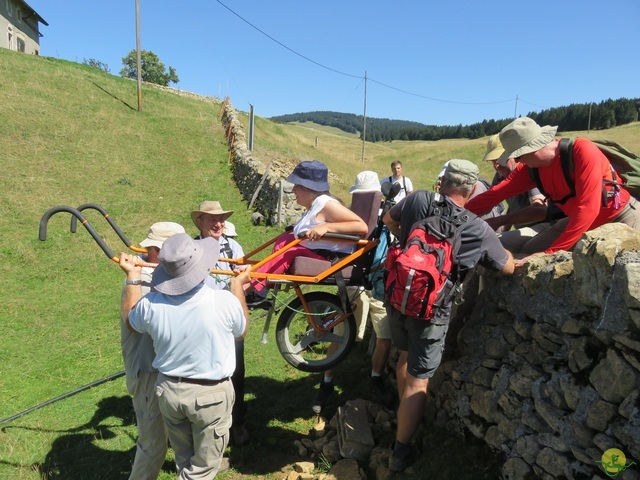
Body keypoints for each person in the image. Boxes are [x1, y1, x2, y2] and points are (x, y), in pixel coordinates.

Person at [383, 159, 515, 473]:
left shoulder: (417, 199)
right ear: (470, 190)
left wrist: (406, 242)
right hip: (432, 312)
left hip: (399, 296)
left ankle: (403, 413)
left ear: (443, 181)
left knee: (404, 354)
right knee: (419, 383)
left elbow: (389, 219)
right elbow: (506, 267)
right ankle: (401, 451)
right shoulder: (477, 228)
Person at [120, 233, 250, 479]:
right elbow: (241, 331)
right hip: (210, 395)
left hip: (169, 392)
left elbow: (131, 322)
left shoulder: (151, 304)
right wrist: (238, 288)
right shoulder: (223, 301)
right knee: (202, 471)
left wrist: (132, 277)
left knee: (185, 460)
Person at [465, 117, 640, 264]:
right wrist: (455, 216)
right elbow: (494, 195)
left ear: (532, 148)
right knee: (528, 250)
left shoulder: (582, 151)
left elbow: (588, 208)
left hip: (620, 217)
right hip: (578, 221)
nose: (519, 161)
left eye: (518, 156)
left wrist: (549, 254)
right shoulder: (532, 168)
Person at [311, 171, 395, 414]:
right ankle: (326, 382)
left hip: (379, 281)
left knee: (385, 336)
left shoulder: (389, 216)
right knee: (342, 334)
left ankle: (375, 378)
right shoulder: (351, 217)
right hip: (355, 280)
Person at [245, 160, 368, 302]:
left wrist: (326, 228)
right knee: (285, 241)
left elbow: (361, 226)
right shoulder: (316, 204)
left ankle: (249, 288)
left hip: (334, 257)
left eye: (297, 185)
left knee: (289, 251)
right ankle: (261, 287)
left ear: (308, 187)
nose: (293, 189)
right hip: (320, 251)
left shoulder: (327, 204)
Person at [120, 221, 184, 480]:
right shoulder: (143, 278)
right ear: (159, 249)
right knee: (153, 445)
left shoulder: (152, 271)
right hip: (147, 371)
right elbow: (135, 323)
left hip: (161, 368)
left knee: (180, 433)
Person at [191, 200, 250, 447]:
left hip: (228, 318)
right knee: (204, 375)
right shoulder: (191, 248)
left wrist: (239, 286)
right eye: (213, 219)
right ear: (201, 222)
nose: (219, 224)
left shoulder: (232, 246)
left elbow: (246, 279)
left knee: (236, 372)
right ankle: (206, 428)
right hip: (201, 320)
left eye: (221, 219)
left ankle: (237, 424)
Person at [481, 133, 550, 249]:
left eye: (499, 159)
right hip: (526, 229)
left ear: (514, 154)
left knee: (491, 245)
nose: (496, 166)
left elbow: (541, 210)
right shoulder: (501, 176)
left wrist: (499, 221)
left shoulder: (528, 170)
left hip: (546, 226)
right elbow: (512, 205)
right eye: (492, 161)